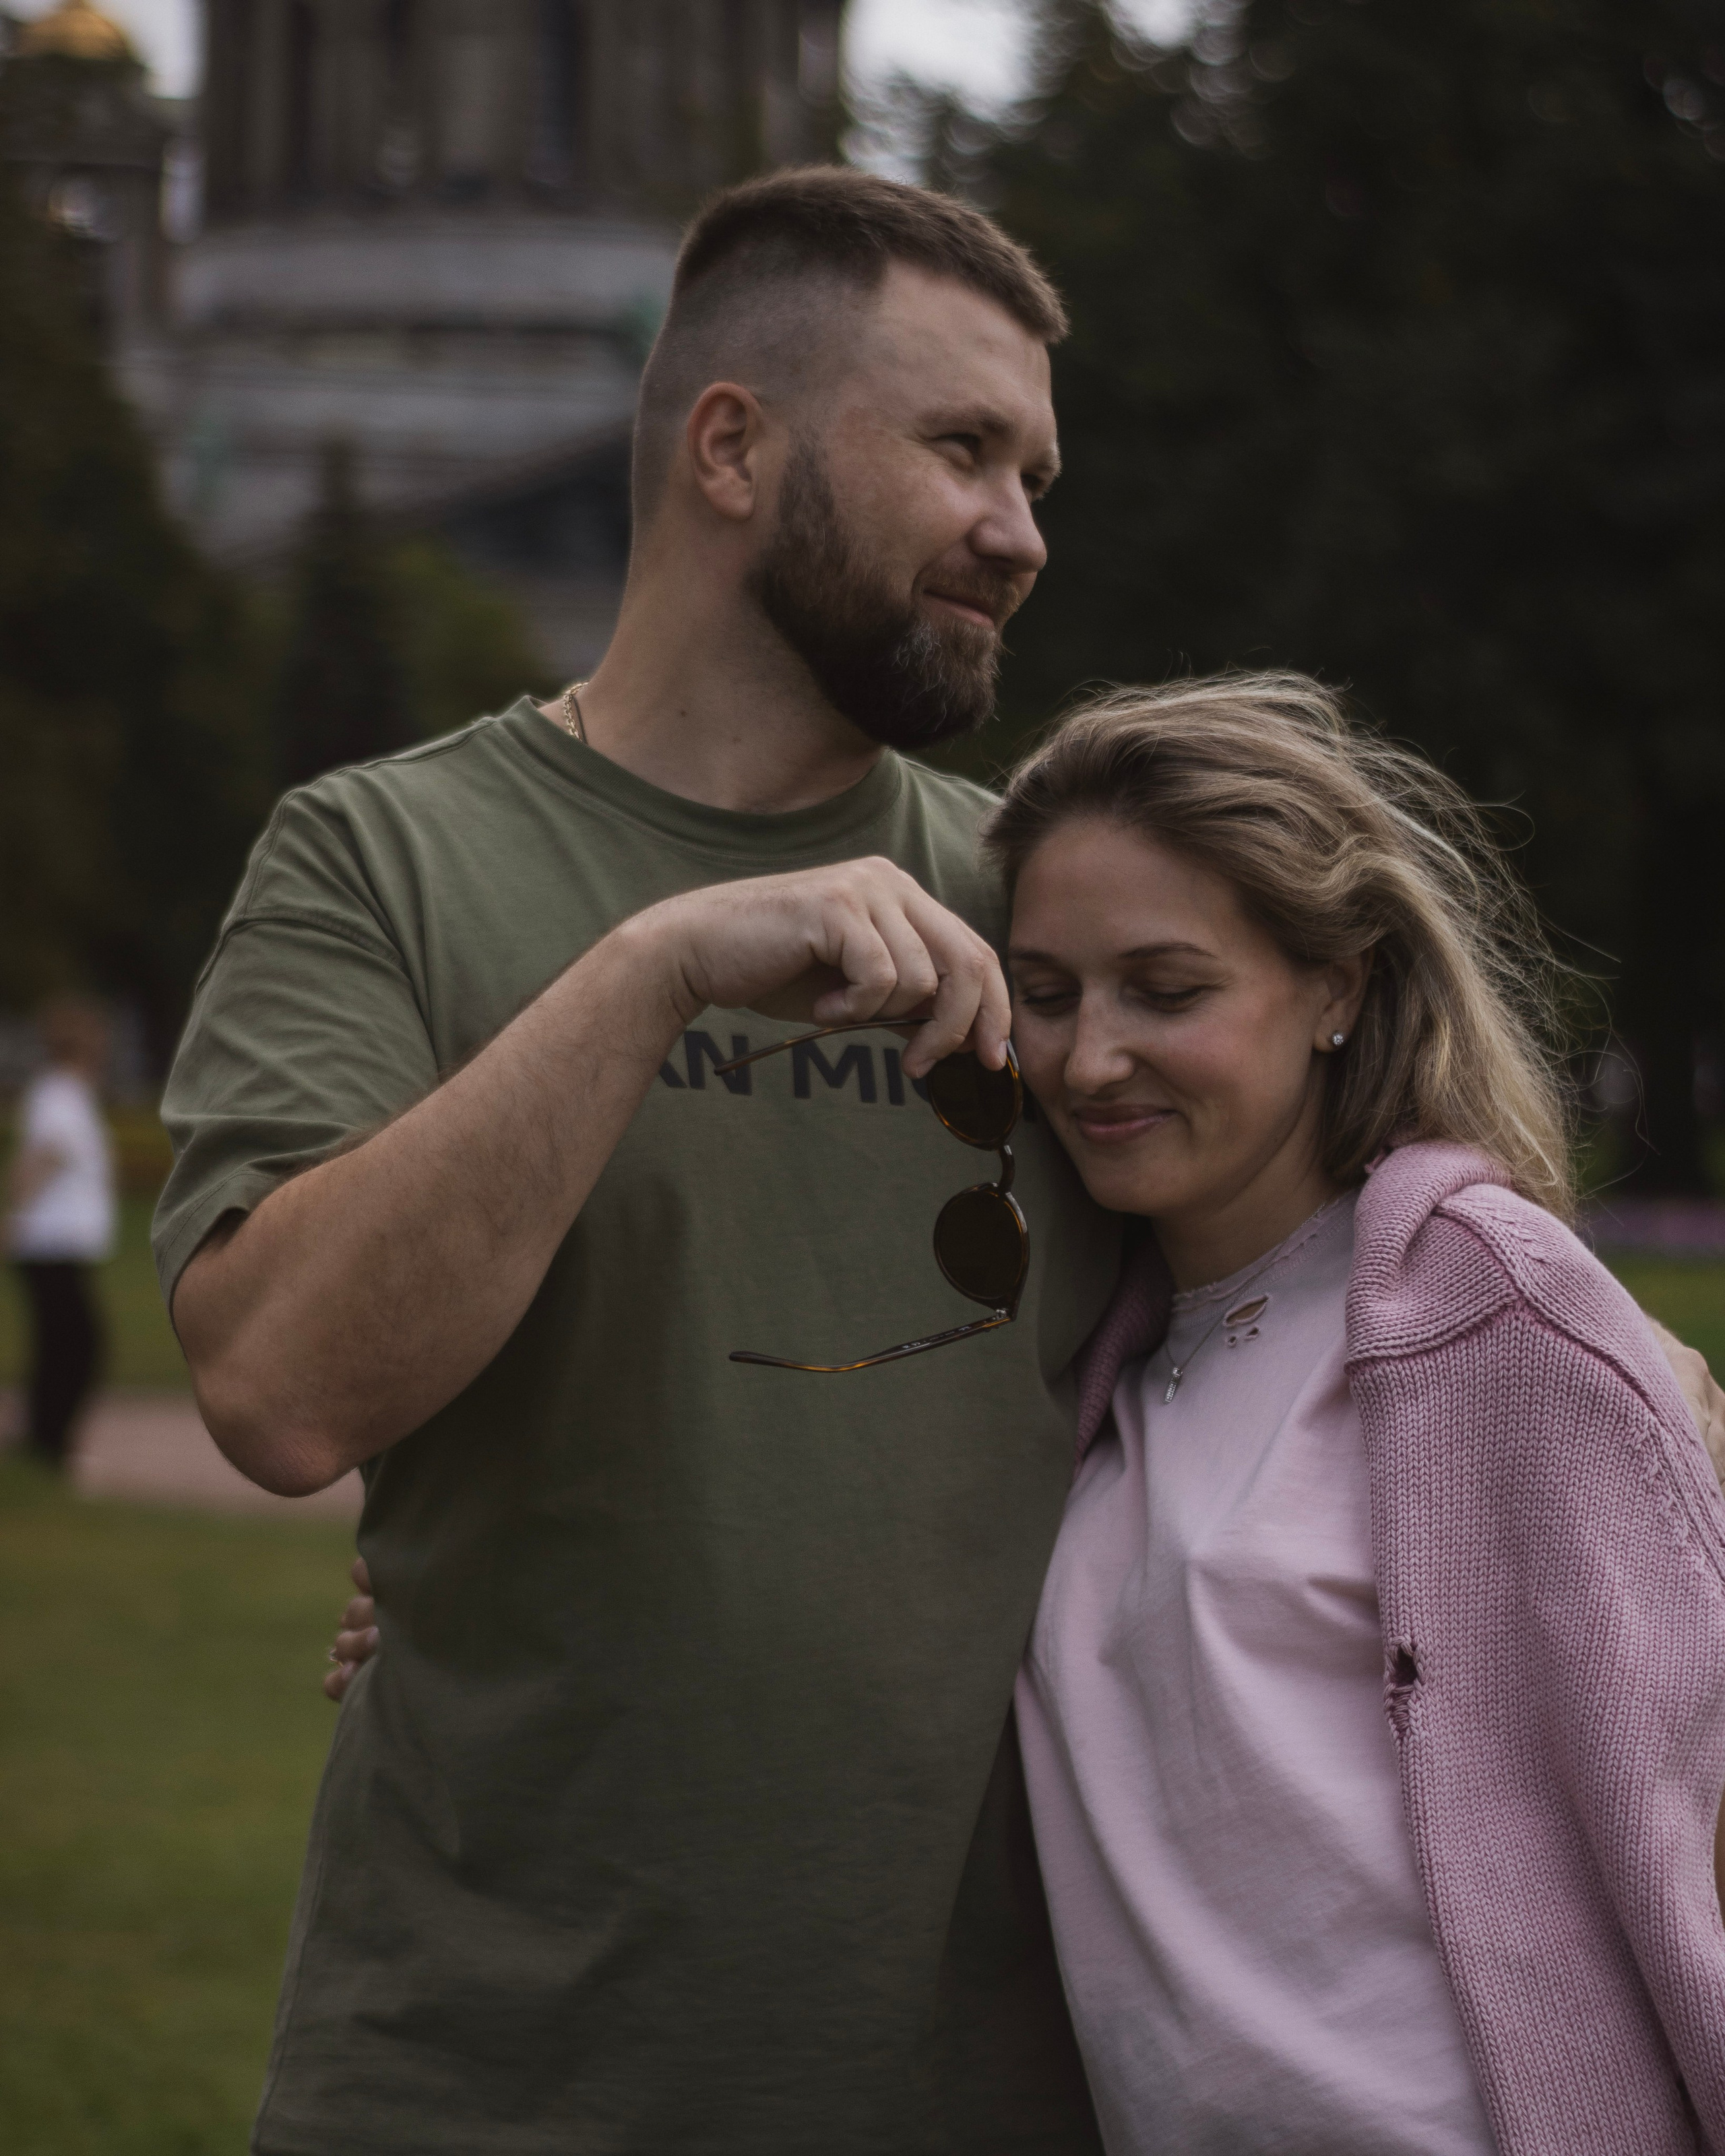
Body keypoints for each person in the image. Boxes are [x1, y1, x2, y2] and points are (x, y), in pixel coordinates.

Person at [154, 168, 1121, 2155]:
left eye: (1033, 471)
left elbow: (1343, 1312)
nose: (1020, 534)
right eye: (960, 449)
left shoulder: (1059, 908)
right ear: (731, 445)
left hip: (976, 2101)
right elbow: (277, 1388)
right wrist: (655, 966)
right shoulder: (374, 862)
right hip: (475, 2088)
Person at [987, 674, 1725, 2152]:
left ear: (1335, 984)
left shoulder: (1488, 1310)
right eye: (1048, 993)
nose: (1086, 1058)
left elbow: (1690, 1818)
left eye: (1167, 987)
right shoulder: (1090, 1352)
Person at [7, 994, 115, 1470]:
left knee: (62, 1346)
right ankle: (50, 1447)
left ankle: (44, 1444)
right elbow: (40, 1159)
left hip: (58, 1245)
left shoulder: (65, 1093)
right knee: (76, 1346)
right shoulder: (61, 1095)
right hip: (50, 1244)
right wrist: (15, 1216)